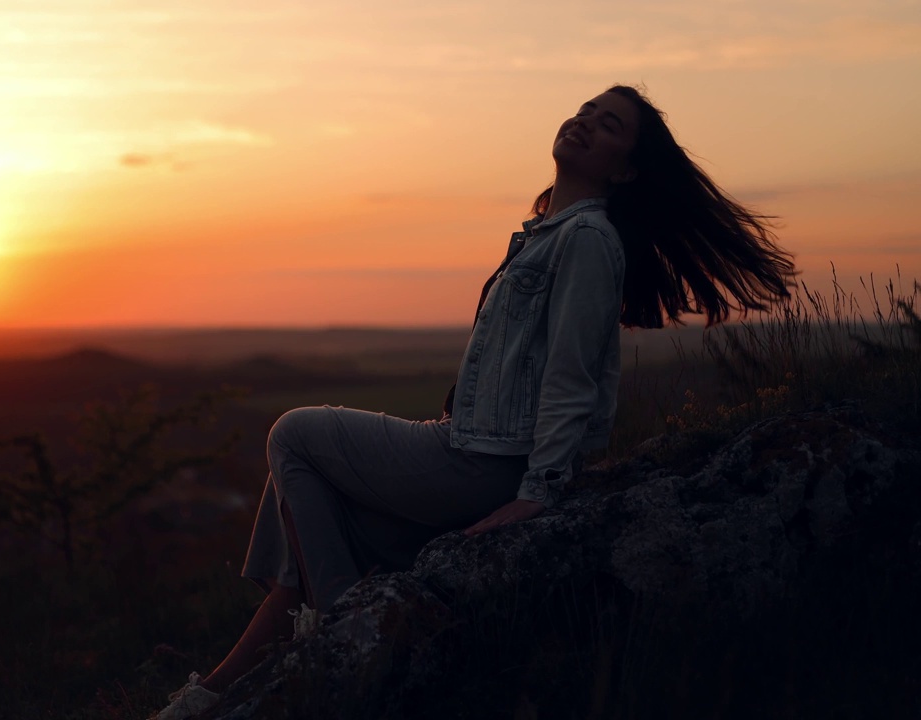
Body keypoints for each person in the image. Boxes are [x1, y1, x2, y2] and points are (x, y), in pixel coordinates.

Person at [148, 84, 796, 720]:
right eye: (585, 111)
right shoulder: (548, 234)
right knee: (298, 508)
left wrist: (541, 489)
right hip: (473, 448)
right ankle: (206, 698)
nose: (584, 122)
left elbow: (571, 377)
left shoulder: (587, 241)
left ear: (625, 168)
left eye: (608, 126)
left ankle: (344, 628)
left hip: (483, 464)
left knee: (294, 436)